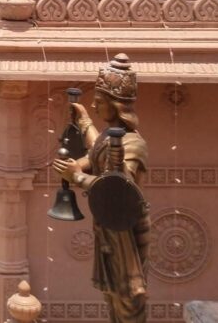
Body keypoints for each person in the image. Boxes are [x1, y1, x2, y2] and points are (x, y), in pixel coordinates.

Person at [53, 54, 149, 323]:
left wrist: (78, 178)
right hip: (109, 229)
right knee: (112, 295)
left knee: (128, 297)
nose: (94, 105)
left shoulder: (133, 145)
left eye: (100, 101)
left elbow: (118, 190)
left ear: (116, 106)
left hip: (125, 232)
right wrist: (83, 124)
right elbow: (98, 154)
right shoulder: (111, 136)